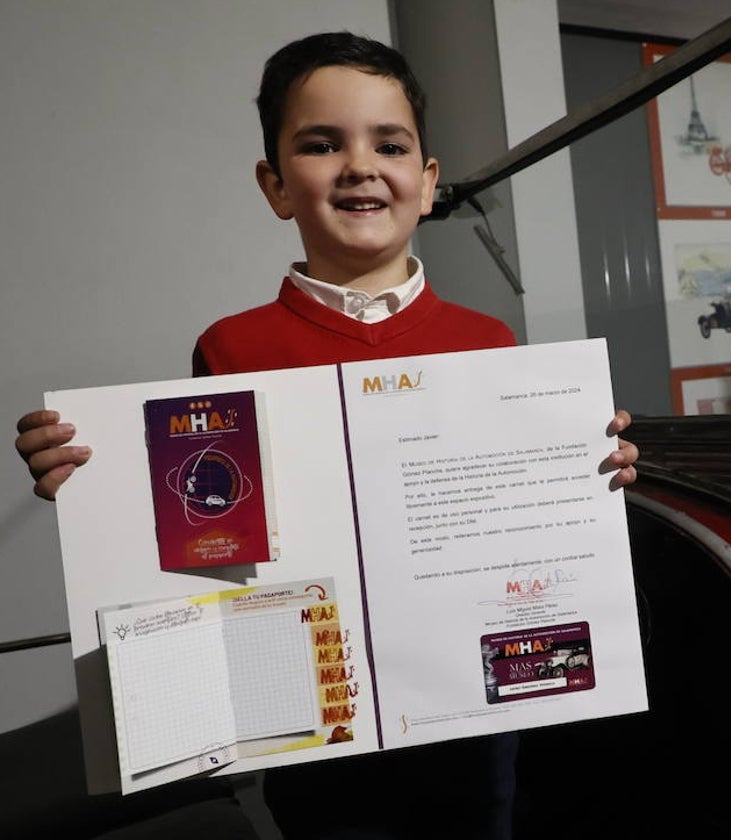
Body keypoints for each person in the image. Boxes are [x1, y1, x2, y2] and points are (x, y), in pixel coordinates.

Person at [15, 32, 638, 839]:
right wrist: (93, 483)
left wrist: (591, 474)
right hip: (312, 711)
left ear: (426, 182)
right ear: (275, 185)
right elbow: (211, 517)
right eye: (321, 144)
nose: (359, 165)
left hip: (471, 706)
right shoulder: (231, 348)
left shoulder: (489, 344)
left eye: (390, 143)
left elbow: (518, 528)